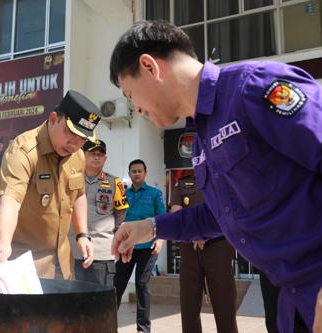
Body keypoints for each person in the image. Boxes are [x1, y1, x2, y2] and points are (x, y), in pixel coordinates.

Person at [109, 20, 322, 332]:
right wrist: (151, 226)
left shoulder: (253, 88)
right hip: (289, 300)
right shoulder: (201, 141)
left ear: (149, 66)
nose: (136, 109)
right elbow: (221, 215)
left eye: (130, 94)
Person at [0, 90, 102, 279]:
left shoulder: (78, 156)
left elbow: (79, 195)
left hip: (62, 263)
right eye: (70, 133)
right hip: (25, 265)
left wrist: (83, 235)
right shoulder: (23, 151)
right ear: (53, 119)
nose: (74, 144)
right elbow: (10, 200)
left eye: (82, 139)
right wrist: (2, 241)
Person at [171, 173, 237, 333]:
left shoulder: (225, 179)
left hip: (218, 245)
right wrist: (195, 232)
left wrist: (205, 232)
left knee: (224, 305)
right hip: (189, 248)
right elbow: (176, 213)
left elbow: (231, 213)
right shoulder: (182, 184)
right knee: (189, 305)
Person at [114, 159, 166, 333]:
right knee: (118, 284)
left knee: (141, 284)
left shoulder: (155, 193)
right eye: (133, 171)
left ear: (145, 173)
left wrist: (160, 240)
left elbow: (162, 218)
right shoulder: (122, 194)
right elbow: (116, 218)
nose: (136, 173)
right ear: (129, 174)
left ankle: (143, 328)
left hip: (147, 247)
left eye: (139, 171)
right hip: (126, 247)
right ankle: (108, 322)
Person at [69, 140, 128, 286]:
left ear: (105, 159)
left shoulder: (115, 182)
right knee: (73, 303)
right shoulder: (70, 179)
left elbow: (120, 213)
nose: (97, 157)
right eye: (92, 154)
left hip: (102, 252)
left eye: (100, 154)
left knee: (100, 302)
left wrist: (115, 240)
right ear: (83, 155)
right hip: (72, 251)